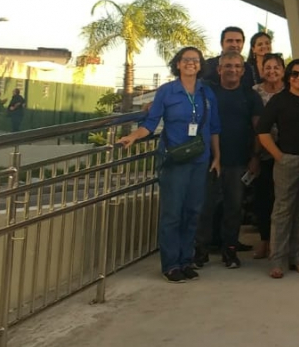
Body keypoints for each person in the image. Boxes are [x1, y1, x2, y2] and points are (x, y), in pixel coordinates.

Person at [118, 47, 220, 283]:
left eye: (195, 60)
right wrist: (133, 136)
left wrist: (217, 157)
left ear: (200, 65)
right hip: (175, 160)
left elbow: (214, 127)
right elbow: (151, 123)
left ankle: (186, 260)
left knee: (192, 212)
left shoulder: (207, 92)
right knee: (172, 213)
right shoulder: (167, 91)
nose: (191, 63)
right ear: (178, 64)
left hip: (200, 159)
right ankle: (171, 264)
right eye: (186, 60)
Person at [256, 59, 299, 278]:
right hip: (288, 161)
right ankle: (278, 260)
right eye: (295, 74)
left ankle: (298, 258)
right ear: (288, 77)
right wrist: (279, 156)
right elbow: (262, 131)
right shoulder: (279, 100)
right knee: (283, 211)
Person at [196, 52, 263, 269]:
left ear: (243, 71)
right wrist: (152, 104)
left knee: (233, 209)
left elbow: (258, 129)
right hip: (209, 161)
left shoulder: (251, 96)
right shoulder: (209, 93)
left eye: (236, 66)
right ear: (219, 69)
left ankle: (230, 251)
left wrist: (255, 157)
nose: (232, 70)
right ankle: (200, 251)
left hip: (239, 161)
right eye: (227, 66)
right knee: (205, 207)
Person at [250, 54, 285, 259]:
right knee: (263, 199)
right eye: (268, 67)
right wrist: (254, 155)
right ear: (262, 70)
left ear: (283, 70)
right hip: (261, 151)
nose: (272, 71)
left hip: (286, 151)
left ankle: (278, 243)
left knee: (282, 200)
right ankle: (264, 241)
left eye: (276, 67)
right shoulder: (255, 91)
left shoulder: (290, 90)